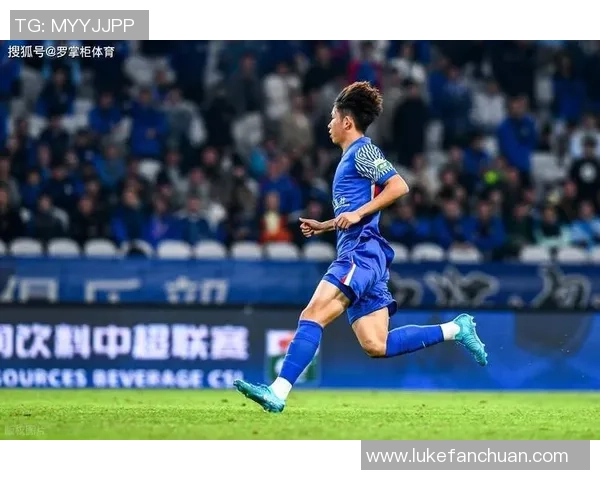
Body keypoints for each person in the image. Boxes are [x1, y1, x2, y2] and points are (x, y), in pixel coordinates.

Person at [233, 81, 488, 413]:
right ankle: (456, 328)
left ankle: (278, 392)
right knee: (376, 344)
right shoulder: (348, 160)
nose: (329, 124)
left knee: (312, 315)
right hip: (366, 254)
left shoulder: (362, 151)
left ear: (346, 121)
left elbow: (398, 186)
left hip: (360, 253)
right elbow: (354, 212)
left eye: (332, 118)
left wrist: (358, 213)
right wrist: (326, 225)